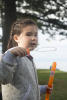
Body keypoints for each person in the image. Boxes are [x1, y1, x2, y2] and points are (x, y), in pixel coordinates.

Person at [0, 18, 52, 100]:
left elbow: (27, 85)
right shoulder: (10, 55)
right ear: (16, 38)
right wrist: (10, 56)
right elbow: (4, 79)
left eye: (35, 35)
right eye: (28, 34)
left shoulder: (28, 58)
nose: (33, 38)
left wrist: (41, 89)